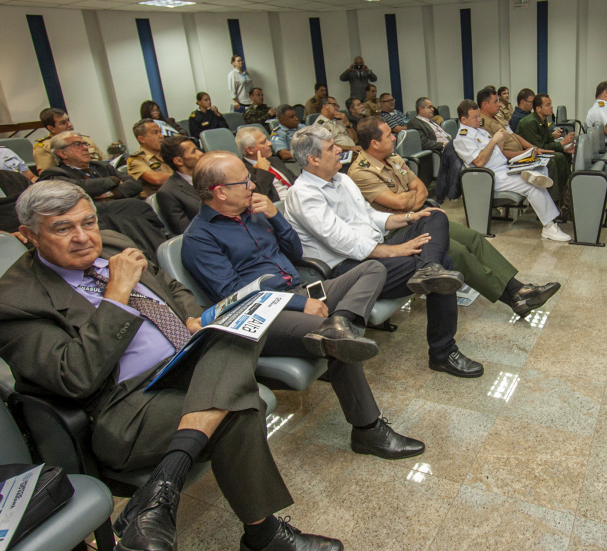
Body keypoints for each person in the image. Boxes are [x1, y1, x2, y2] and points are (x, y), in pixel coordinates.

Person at [0, 180, 345, 551]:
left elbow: (173, 286)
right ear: (28, 235)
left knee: (237, 333)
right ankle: (263, 537)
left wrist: (189, 318)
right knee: (238, 404)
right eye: (62, 228)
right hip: (125, 406)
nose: (83, 237)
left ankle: (158, 491)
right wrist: (116, 296)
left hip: (187, 366)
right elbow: (76, 378)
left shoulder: (114, 243)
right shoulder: (12, 305)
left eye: (88, 222)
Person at [182, 151, 425, 461]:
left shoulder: (254, 211)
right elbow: (234, 294)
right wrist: (300, 304)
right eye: (244, 181)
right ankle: (368, 430)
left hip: (300, 289)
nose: (252, 186)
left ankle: (342, 323)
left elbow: (296, 252)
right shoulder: (200, 238)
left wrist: (275, 216)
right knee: (334, 339)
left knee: (371, 269)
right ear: (220, 192)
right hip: (262, 314)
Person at [284, 126, 484, 378]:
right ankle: (442, 352)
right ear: (313, 160)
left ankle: (428, 268)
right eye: (331, 148)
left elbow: (369, 216)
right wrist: (393, 250)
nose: (340, 150)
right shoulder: (303, 194)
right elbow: (341, 241)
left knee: (433, 216)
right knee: (444, 262)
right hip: (349, 269)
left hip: (374, 251)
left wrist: (409, 218)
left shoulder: (342, 179)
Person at [349, 117, 560, 318]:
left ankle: (518, 289)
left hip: (421, 216)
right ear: (374, 143)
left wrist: (409, 200)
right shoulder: (361, 172)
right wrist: (409, 200)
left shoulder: (393, 159)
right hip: (396, 229)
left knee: (473, 238)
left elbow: (420, 188)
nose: (395, 137)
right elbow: (399, 204)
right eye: (388, 136)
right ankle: (514, 296)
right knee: (456, 251)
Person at [38, 131, 166, 262]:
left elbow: (134, 185)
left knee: (135, 207)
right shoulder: (55, 174)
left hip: (124, 211)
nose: (85, 148)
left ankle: (157, 254)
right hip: (100, 218)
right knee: (132, 207)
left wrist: (110, 193)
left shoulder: (101, 166)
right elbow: (81, 188)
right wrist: (113, 180)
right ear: (62, 153)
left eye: (85, 144)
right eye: (77, 145)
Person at [455, 99, 571, 242]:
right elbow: (479, 162)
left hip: (504, 168)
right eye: (475, 117)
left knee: (541, 167)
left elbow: (497, 153)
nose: (479, 120)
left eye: (479, 116)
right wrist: (493, 141)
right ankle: (549, 227)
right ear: (463, 119)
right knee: (531, 185)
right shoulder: (463, 138)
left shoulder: (479, 132)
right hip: (490, 177)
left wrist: (501, 142)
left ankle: (542, 200)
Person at [517, 94, 576, 220]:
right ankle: (550, 206)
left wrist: (564, 148)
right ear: (538, 109)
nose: (551, 107)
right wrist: (562, 143)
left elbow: (548, 141)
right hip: (527, 157)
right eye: (547, 105)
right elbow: (539, 146)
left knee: (564, 155)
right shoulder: (530, 122)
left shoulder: (541, 121)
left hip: (538, 153)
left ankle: (565, 202)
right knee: (555, 160)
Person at [33, 107, 107, 172]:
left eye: (68, 120)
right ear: (51, 128)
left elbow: (105, 162)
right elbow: (48, 177)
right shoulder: (45, 147)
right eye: (63, 123)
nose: (70, 124)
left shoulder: (85, 140)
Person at [157, 135, 204, 235]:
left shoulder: (210, 176)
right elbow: (186, 231)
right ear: (179, 161)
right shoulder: (168, 193)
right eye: (194, 151)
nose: (201, 154)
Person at [236, 126, 295, 200]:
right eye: (263, 142)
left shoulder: (274, 160)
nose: (269, 143)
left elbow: (295, 180)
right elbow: (258, 197)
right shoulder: (243, 172)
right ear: (250, 150)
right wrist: (262, 170)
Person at [127, 119, 174, 197]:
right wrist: (183, 176)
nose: (161, 136)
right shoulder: (136, 159)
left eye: (160, 132)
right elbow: (157, 179)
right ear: (142, 139)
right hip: (159, 200)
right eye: (155, 133)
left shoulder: (170, 152)